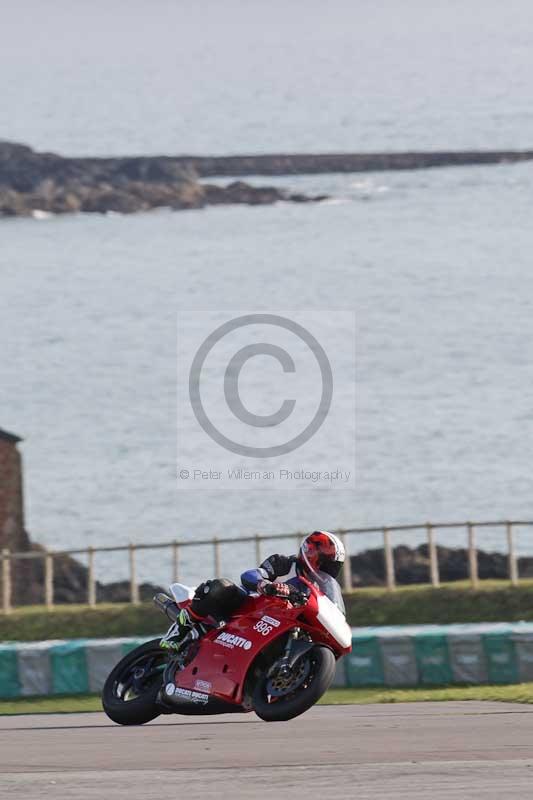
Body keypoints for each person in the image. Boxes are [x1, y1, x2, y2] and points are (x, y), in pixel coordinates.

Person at [160, 530, 345, 651]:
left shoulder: (321, 588)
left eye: (333, 565)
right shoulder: (284, 564)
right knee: (220, 587)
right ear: (311, 555)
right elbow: (250, 575)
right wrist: (265, 585)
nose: (328, 568)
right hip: (247, 607)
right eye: (326, 562)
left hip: (279, 624)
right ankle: (178, 631)